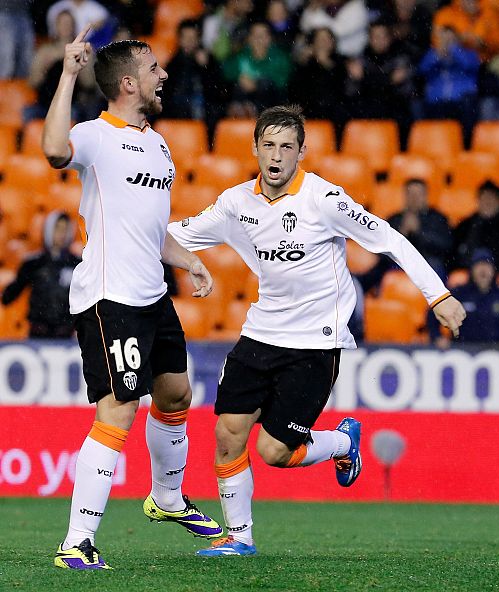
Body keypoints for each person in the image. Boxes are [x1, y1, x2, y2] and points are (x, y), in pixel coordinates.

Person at [167, 105, 466, 557]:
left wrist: (438, 296)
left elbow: (388, 239)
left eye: (287, 146)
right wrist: (115, 238)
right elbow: (172, 234)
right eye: (268, 144)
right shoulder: (234, 204)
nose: (276, 155)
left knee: (274, 452)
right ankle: (239, 538)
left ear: (302, 152)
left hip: (315, 343)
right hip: (260, 334)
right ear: (254, 149)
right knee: (228, 433)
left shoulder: (325, 201)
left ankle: (343, 440)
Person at [42, 31, 222, 570]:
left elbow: (150, 226)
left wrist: (187, 258)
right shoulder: (96, 135)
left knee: (175, 396)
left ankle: (166, 498)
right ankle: (76, 541)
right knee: (119, 409)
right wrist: (69, 74)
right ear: (127, 82)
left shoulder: (157, 143)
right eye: (153, 69)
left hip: (152, 295)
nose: (162, 76)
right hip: (110, 296)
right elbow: (53, 151)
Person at [428, 248, 499, 348]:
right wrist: (437, 337)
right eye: (478, 265)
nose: (483, 270)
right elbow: (434, 312)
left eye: (487, 265)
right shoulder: (459, 294)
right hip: (462, 352)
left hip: (497, 353)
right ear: (471, 270)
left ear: (494, 270)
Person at [1, 211, 81, 338]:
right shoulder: (34, 263)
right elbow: (9, 296)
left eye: (65, 229)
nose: (61, 234)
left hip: (66, 333)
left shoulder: (77, 264)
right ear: (48, 230)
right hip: (38, 332)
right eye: (57, 228)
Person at [451, 180, 499, 280]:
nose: (488, 202)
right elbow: (453, 252)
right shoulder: (466, 225)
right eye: (484, 198)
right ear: (478, 201)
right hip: (471, 277)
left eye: (492, 198)